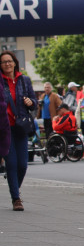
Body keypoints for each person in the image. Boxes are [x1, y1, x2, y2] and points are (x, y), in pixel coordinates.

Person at [1, 50, 38, 211]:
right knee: (12, 163)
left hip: (21, 126)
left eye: (10, 61)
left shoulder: (24, 80)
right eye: (4, 62)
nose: (7, 64)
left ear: (15, 62)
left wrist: (31, 102)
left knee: (22, 164)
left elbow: (34, 102)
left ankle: (15, 186)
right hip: (4, 128)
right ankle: (16, 198)